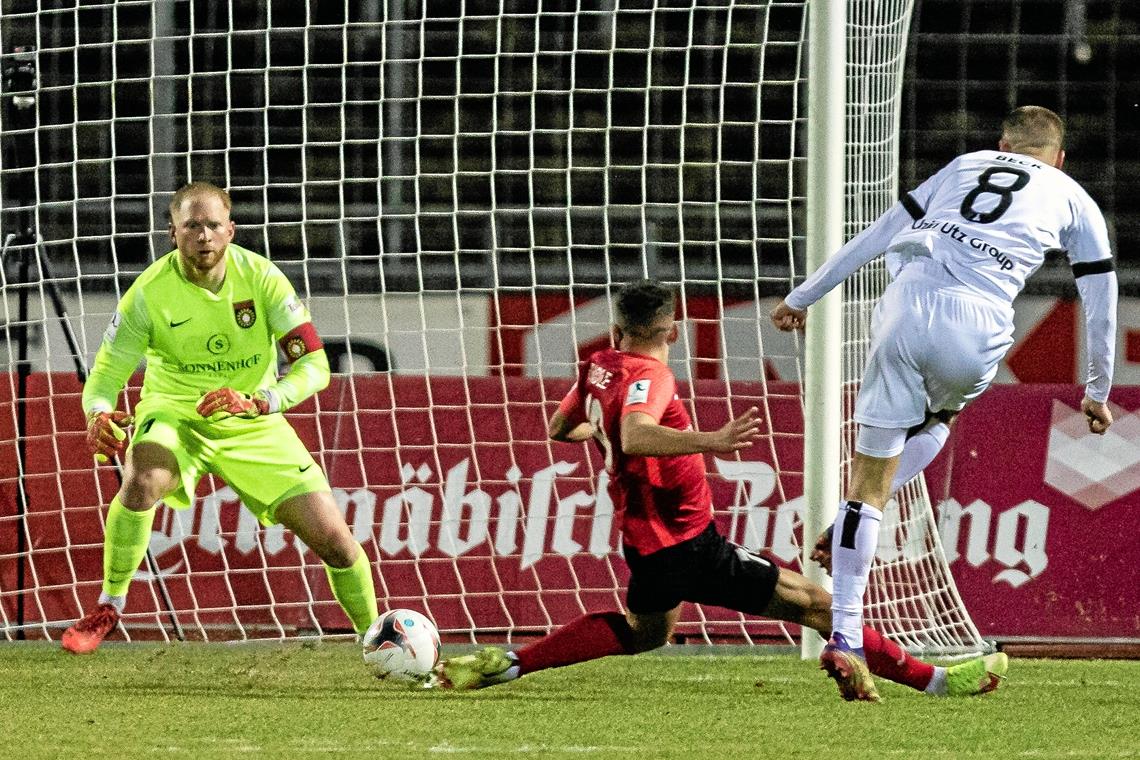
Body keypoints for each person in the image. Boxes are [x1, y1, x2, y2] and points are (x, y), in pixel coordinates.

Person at [434, 280, 1007, 700]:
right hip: (686, 543)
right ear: (674, 331)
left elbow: (563, 428)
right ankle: (933, 682)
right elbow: (635, 434)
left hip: (646, 545)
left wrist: (607, 431)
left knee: (643, 633)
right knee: (820, 605)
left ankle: (508, 663)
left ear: (616, 330)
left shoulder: (597, 365)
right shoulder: (651, 375)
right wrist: (710, 438)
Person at [770, 105, 1116, 698]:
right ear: (1059, 157)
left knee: (866, 482)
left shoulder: (967, 164)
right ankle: (860, 525)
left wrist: (805, 295)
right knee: (941, 418)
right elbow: (1099, 293)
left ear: (1001, 141)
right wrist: (1097, 388)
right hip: (979, 319)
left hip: (906, 302)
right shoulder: (1073, 196)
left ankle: (846, 632)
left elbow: (881, 232)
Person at [63, 182, 378, 653]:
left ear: (231, 230)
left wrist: (262, 401)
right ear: (173, 232)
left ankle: (377, 639)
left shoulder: (263, 279)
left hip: (252, 419)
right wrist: (99, 412)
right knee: (144, 477)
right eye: (192, 225)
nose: (204, 235)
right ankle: (110, 605)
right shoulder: (148, 294)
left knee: (335, 539)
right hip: (174, 415)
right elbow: (105, 377)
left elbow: (316, 366)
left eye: (213, 225)